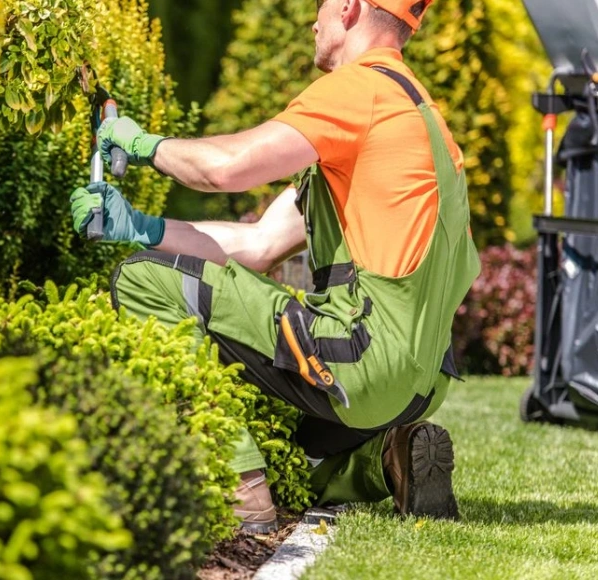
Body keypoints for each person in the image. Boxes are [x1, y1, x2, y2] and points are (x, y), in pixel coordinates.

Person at [69, 0, 479, 532]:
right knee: (288, 453)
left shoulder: (360, 90)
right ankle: (388, 458)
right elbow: (260, 244)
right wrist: (142, 227)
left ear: (350, 7)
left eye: (320, 5)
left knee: (143, 279)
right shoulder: (421, 117)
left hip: (363, 360)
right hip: (419, 385)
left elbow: (224, 170)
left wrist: (144, 144)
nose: (313, 20)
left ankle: (236, 486)